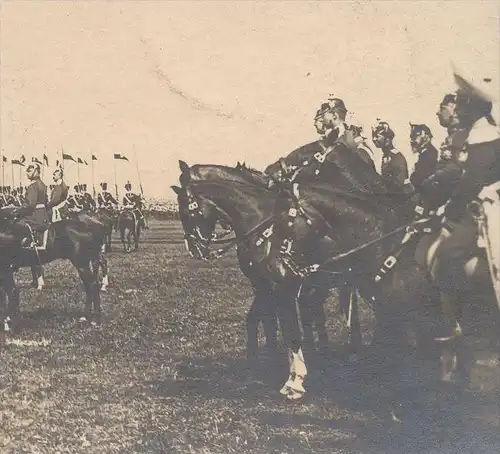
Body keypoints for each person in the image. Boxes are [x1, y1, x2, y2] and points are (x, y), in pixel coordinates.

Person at [436, 67, 500, 294]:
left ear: (473, 108)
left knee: (449, 253)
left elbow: (471, 184)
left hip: (490, 208)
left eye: (462, 104)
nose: (458, 110)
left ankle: (475, 315)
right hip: (485, 204)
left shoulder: (483, 136)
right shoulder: (482, 132)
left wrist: (450, 212)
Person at [11, 163, 49, 248]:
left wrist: (16, 211)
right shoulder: (42, 184)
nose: (27, 173)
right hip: (43, 216)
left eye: (30, 171)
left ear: (36, 172)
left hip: (35, 216)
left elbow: (30, 205)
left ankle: (23, 247)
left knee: (16, 224)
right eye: (27, 171)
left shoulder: (33, 186)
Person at [372, 119, 413, 194]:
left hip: (403, 196)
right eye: (373, 136)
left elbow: (398, 184)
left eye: (377, 136)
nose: (374, 139)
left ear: (387, 139)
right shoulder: (386, 155)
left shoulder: (396, 157)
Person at [409, 123, 439, 191]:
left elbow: (419, 179)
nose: (411, 141)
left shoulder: (429, 154)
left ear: (425, 137)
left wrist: (413, 176)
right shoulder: (424, 153)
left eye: (414, 137)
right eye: (411, 137)